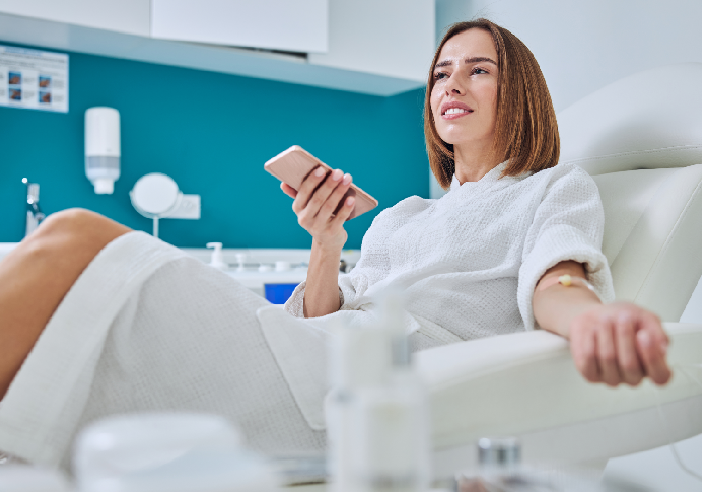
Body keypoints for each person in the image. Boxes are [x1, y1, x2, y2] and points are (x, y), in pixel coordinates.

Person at [0, 19, 670, 469]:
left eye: (479, 71)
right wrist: (326, 242)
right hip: (316, 352)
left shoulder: (551, 186)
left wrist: (594, 319)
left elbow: (558, 278)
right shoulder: (402, 215)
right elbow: (320, 317)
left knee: (80, 235)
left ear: (518, 90)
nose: (452, 85)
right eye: (440, 74)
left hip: (368, 381)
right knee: (69, 234)